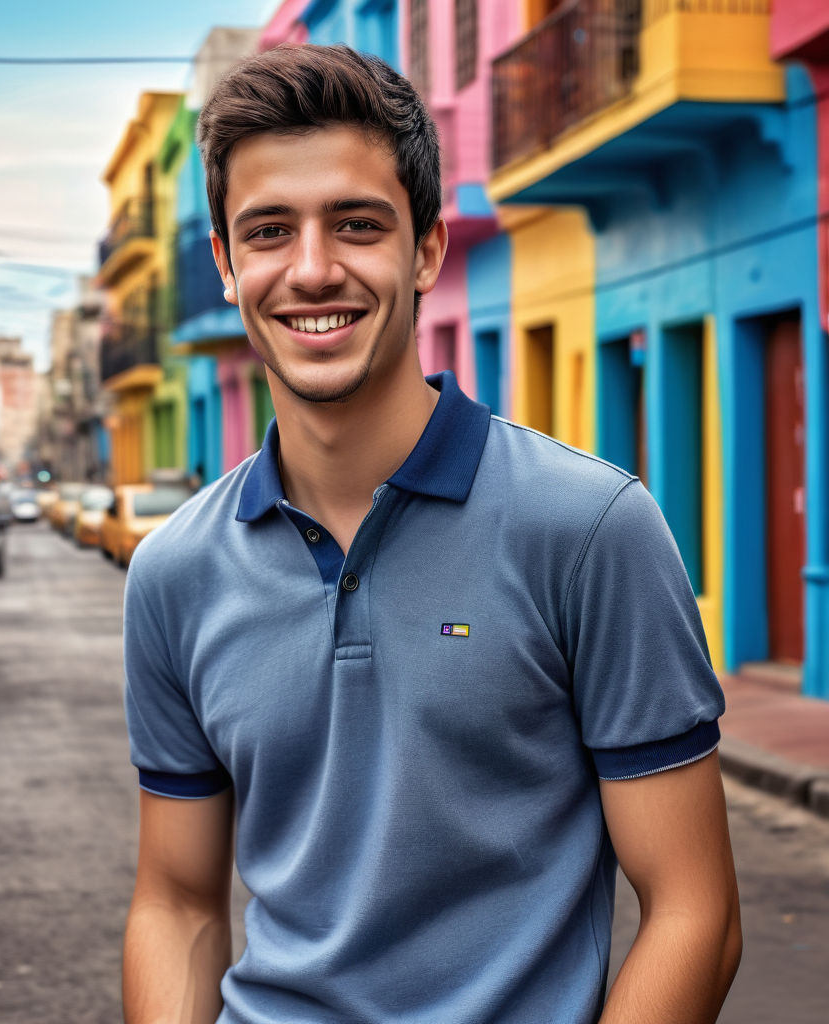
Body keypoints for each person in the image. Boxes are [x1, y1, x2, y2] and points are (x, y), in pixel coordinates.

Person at [122, 44, 741, 1024]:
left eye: (357, 225)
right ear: (228, 266)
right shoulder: (172, 572)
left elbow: (693, 910)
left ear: (424, 250)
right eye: (270, 231)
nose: (313, 269)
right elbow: (177, 903)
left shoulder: (587, 528)